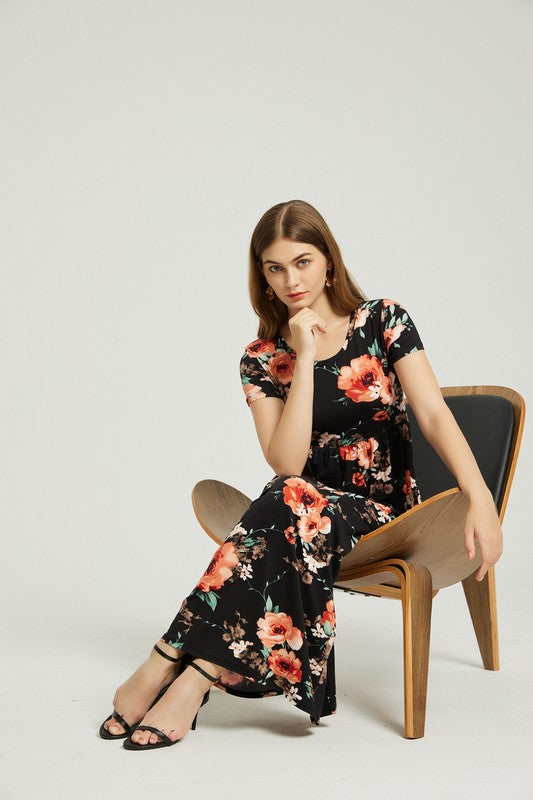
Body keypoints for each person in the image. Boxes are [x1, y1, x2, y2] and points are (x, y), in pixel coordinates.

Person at [99, 199, 503, 751]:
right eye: (275, 267)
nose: (291, 279)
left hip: (386, 515)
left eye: (304, 261)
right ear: (261, 276)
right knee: (289, 492)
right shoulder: (262, 357)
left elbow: (433, 413)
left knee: (285, 498)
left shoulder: (383, 321)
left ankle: (174, 664)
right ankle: (196, 676)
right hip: (301, 513)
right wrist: (306, 355)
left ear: (329, 262)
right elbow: (287, 461)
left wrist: (479, 497)